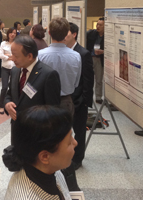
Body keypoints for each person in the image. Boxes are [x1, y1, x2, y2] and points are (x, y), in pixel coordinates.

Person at [3, 105, 78, 200]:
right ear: (45, 156)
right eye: (69, 142)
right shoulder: (26, 199)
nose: (75, 143)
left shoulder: (50, 169)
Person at [4, 34, 61, 144]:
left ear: (29, 56)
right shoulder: (15, 70)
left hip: (37, 135)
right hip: (16, 131)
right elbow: (9, 95)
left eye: (16, 55)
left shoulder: (48, 75)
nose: (12, 58)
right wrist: (7, 104)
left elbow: (53, 111)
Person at [65, 22, 94, 170]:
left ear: (74, 34)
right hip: (65, 100)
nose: (64, 36)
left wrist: (84, 101)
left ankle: (78, 159)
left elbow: (89, 80)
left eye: (67, 33)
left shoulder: (83, 53)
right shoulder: (64, 51)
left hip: (78, 100)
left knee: (79, 131)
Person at [38, 17, 82, 114]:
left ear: (49, 33)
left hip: (44, 102)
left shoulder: (40, 55)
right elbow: (76, 83)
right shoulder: (76, 56)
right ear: (66, 34)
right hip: (65, 101)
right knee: (65, 129)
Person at [86, 17, 104, 104]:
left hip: (100, 59)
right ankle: (88, 96)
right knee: (89, 78)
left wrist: (103, 52)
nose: (98, 26)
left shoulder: (107, 37)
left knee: (99, 79)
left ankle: (98, 97)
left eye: (100, 25)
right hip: (90, 58)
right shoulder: (91, 33)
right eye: (97, 24)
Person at [0, 27, 16, 114]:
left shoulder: (17, 44)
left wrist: (8, 55)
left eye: (14, 33)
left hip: (14, 68)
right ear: (8, 33)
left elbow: (16, 56)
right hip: (5, 68)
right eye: (11, 33)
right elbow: (1, 55)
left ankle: (12, 104)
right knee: (4, 87)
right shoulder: (3, 43)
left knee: (13, 87)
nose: (12, 34)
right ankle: (1, 105)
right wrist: (9, 56)